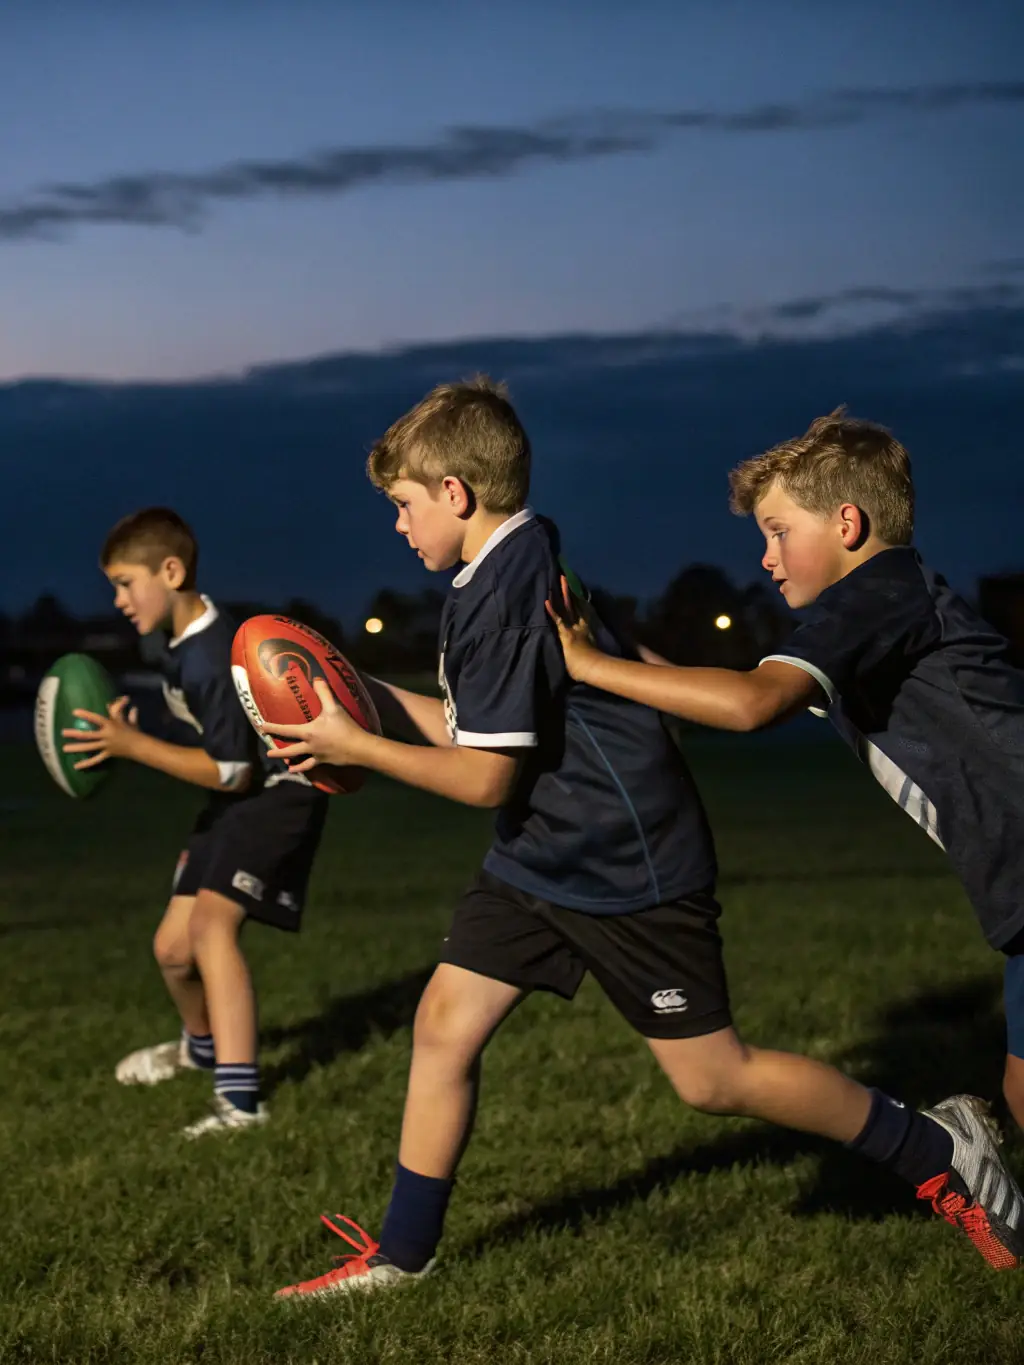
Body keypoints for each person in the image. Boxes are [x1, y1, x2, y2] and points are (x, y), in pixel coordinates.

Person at [259, 381, 1020, 1295]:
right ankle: (401, 1254)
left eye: (403, 504)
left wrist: (360, 745)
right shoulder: (509, 574)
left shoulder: (515, 590)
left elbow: (492, 772)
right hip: (543, 852)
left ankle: (927, 1143)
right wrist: (368, 703)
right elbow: (507, 731)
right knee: (444, 1023)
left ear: (456, 493)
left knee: (714, 1078)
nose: (397, 525)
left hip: (628, 865)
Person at [63, 507, 328, 1137]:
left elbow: (235, 770)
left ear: (172, 571)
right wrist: (131, 729)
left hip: (277, 795)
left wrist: (133, 746)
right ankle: (200, 1048)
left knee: (211, 930)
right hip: (237, 797)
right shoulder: (172, 642)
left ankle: (240, 1103)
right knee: (171, 950)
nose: (120, 600)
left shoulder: (211, 653)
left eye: (127, 583)